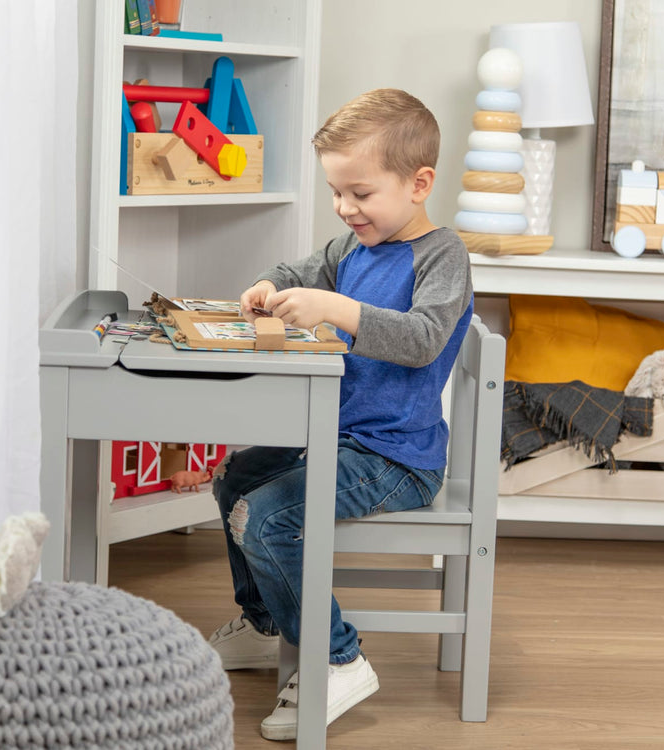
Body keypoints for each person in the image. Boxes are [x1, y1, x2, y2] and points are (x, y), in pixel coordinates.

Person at [209, 88, 474, 741]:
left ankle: (337, 659)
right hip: (332, 438)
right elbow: (291, 270)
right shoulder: (348, 251)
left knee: (267, 520)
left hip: (396, 457)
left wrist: (336, 311)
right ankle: (264, 622)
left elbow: (420, 339)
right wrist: (268, 289)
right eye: (336, 191)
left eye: (360, 193)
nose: (344, 207)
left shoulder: (443, 256)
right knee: (235, 479)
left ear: (419, 184)